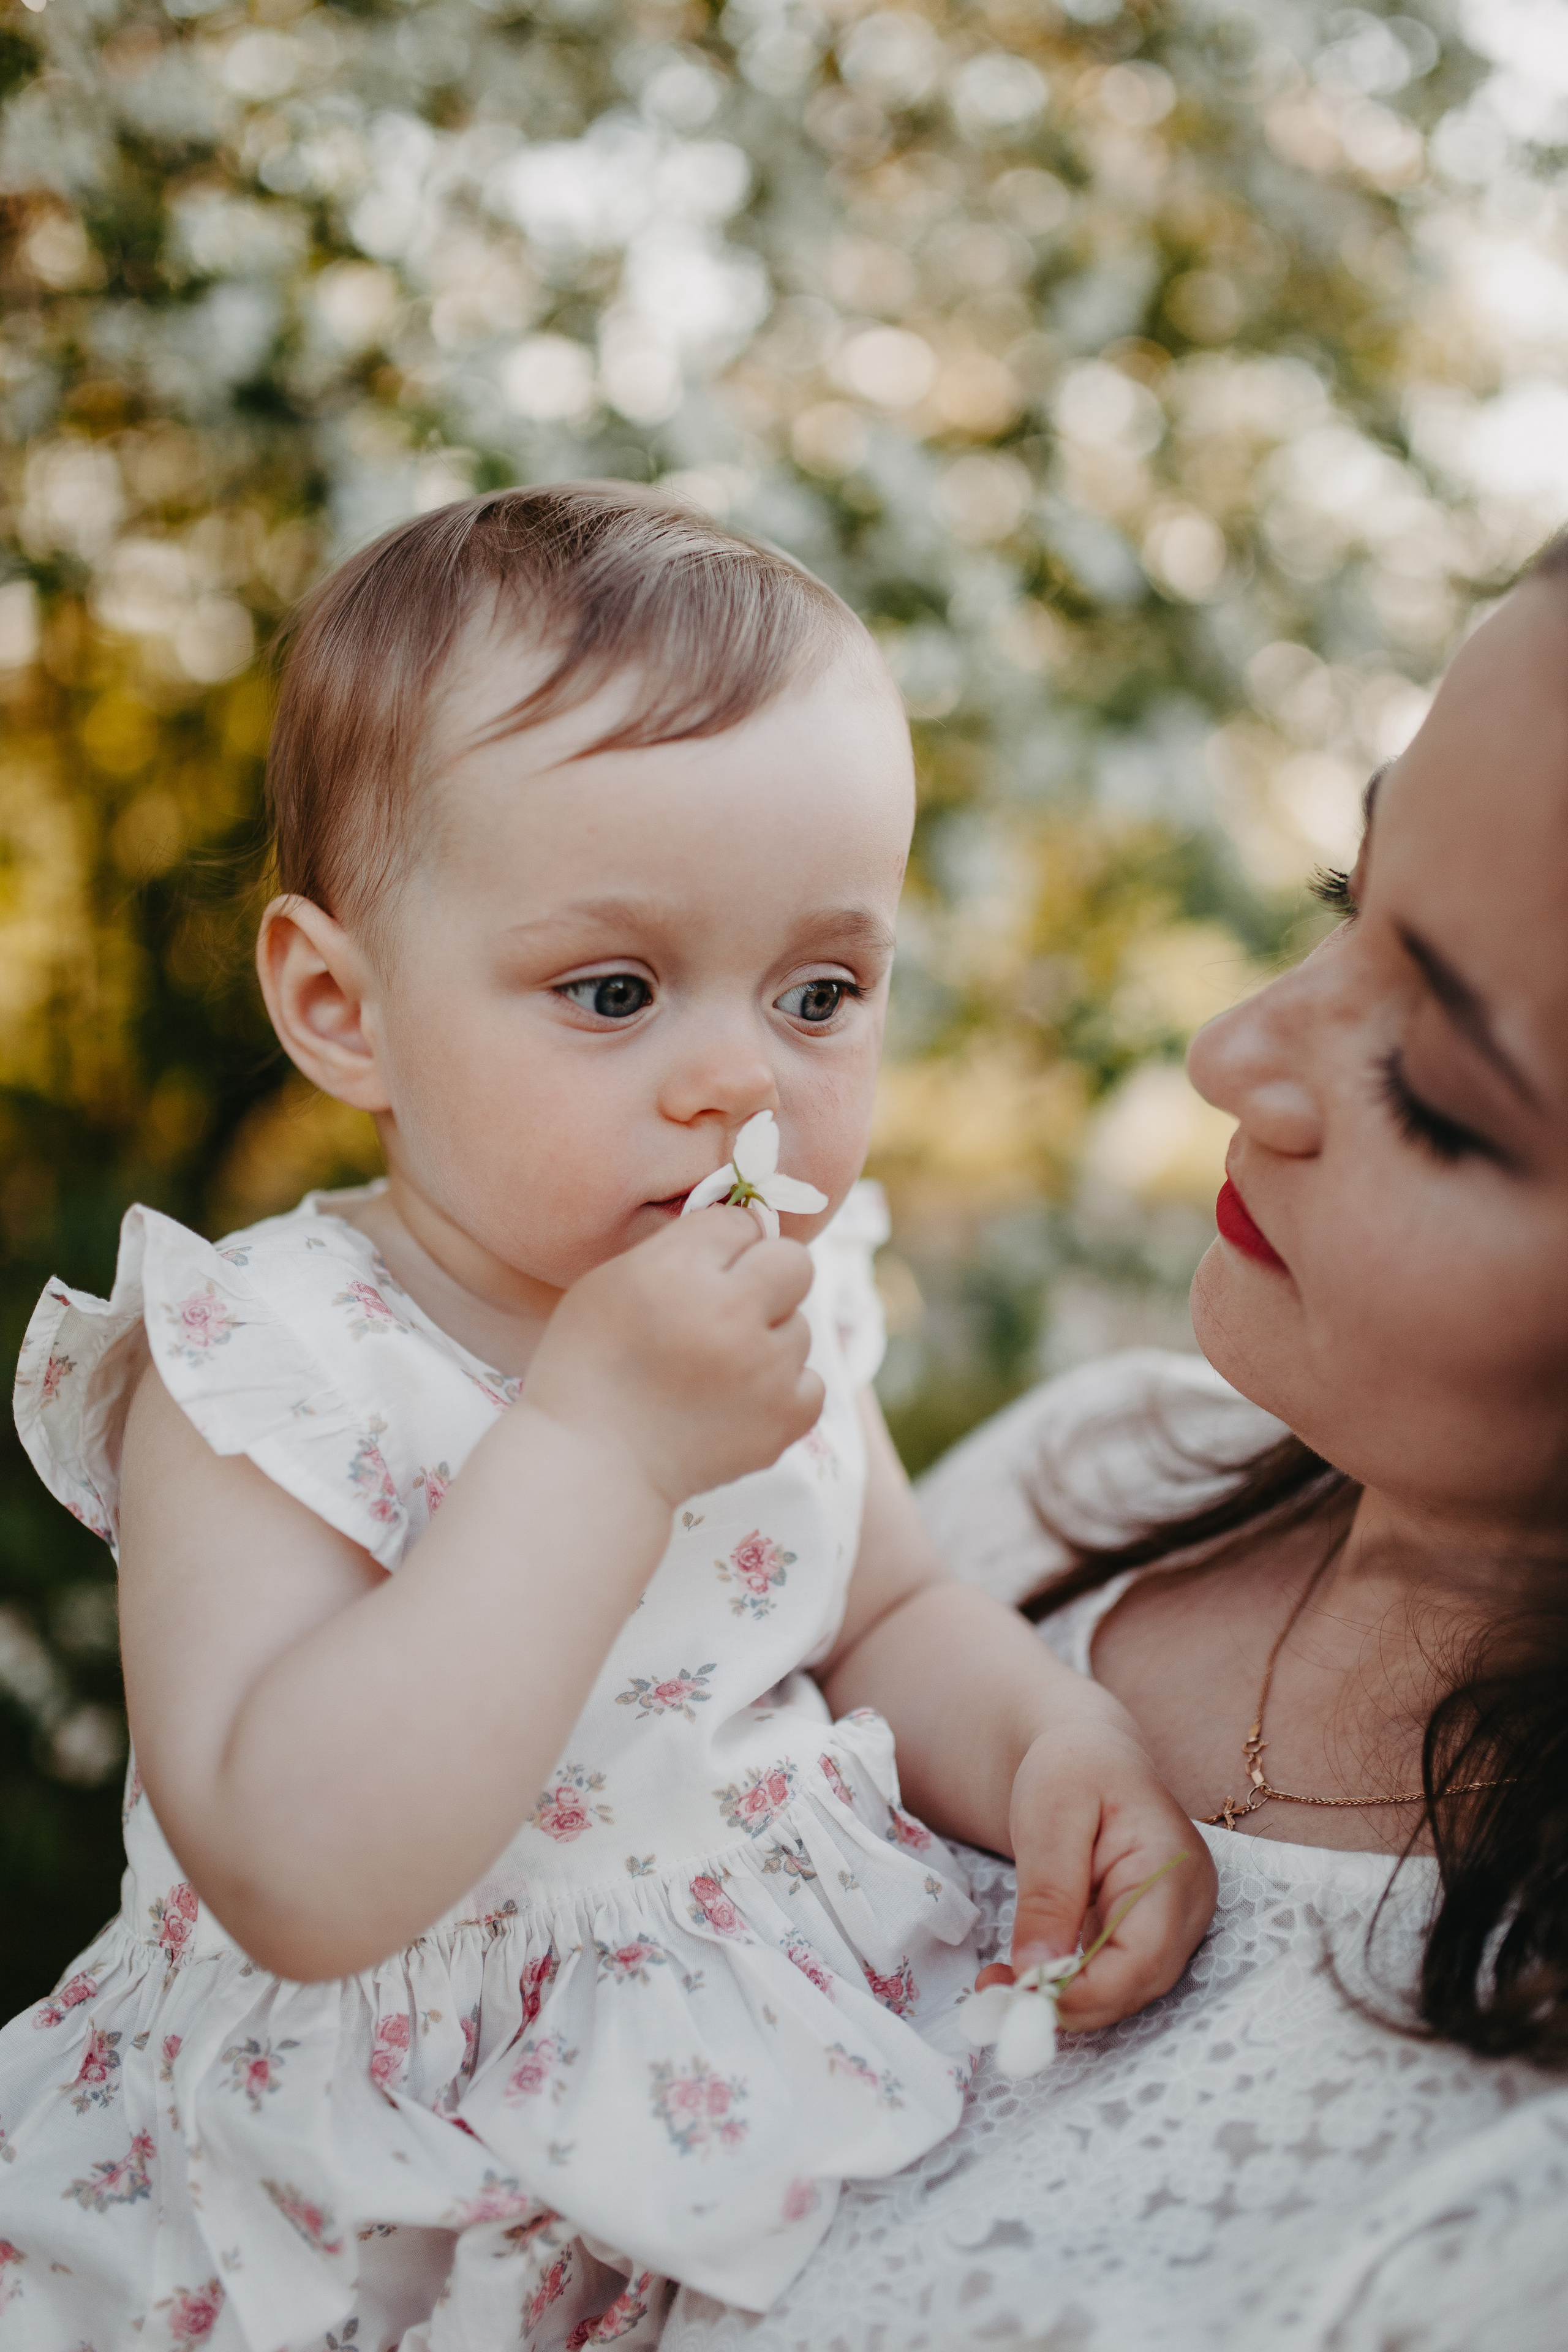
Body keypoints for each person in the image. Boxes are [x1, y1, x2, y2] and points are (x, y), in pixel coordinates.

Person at [0, 486, 1212, 2352]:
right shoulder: (268, 1361)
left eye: (821, 991)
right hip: (362, 2209)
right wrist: (591, 1452)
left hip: (746, 2101)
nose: (738, 1079)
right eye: (617, 991)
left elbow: (879, 1610)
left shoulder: (785, 1292)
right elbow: (293, 1867)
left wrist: (1050, 1746)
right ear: (345, 1007)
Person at [662, 540, 1568, 2352]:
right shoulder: (1084, 1475)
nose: (1231, 1051)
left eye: (1441, 1099)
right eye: (1343, 895)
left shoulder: (1503, 2242)